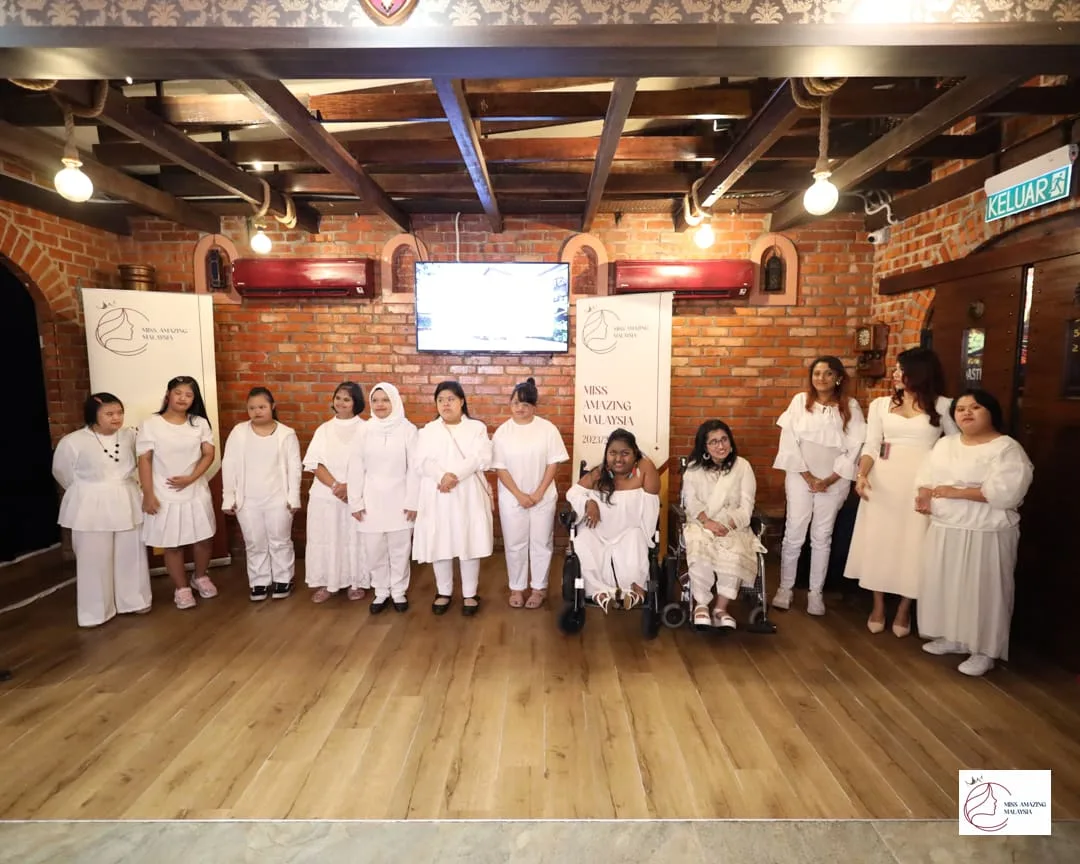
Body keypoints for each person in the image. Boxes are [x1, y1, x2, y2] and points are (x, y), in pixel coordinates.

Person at [915, 390, 1033, 676]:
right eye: (960, 409)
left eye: (975, 407)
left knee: (984, 590)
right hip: (947, 525)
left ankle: (984, 650)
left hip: (987, 530)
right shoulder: (946, 444)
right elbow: (926, 477)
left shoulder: (1006, 448)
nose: (966, 413)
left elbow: (1006, 493)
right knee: (948, 584)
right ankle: (954, 637)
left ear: (991, 412)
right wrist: (924, 495)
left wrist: (956, 491)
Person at [844, 348, 958, 636]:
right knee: (879, 541)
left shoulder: (943, 405)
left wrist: (940, 484)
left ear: (919, 372)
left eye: (901, 369)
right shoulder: (881, 405)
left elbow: (953, 447)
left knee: (914, 543)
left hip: (921, 482)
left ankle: (905, 608)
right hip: (884, 480)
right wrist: (862, 475)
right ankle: (878, 605)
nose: (895, 374)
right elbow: (872, 445)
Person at [772, 356, 866, 616]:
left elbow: (854, 448)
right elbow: (789, 441)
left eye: (827, 373)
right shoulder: (800, 401)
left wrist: (830, 479)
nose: (821, 378)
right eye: (816, 373)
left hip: (834, 480)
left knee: (822, 537)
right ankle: (785, 588)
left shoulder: (850, 406)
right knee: (794, 533)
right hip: (800, 476)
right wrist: (808, 477)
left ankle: (816, 593)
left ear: (838, 378)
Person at [52, 392, 151, 627]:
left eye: (119, 412)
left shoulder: (131, 436)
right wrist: (92, 489)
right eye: (109, 414)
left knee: (131, 552)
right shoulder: (73, 441)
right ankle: (96, 611)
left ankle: (134, 600)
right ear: (93, 415)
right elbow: (62, 472)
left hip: (126, 497)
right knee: (93, 558)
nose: (116, 418)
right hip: (91, 503)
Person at [412, 381, 493, 616]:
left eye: (450, 399)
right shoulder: (427, 431)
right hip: (437, 493)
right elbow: (421, 461)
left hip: (468, 492)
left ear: (461, 401)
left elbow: (480, 457)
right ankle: (443, 591)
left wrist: (454, 475)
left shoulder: (476, 428)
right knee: (440, 540)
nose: (445, 404)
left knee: (469, 540)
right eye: (440, 400)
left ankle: (470, 593)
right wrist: (441, 476)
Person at [137, 376, 218, 611]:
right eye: (178, 393)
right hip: (164, 492)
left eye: (188, 395)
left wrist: (191, 478)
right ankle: (181, 588)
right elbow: (145, 460)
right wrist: (148, 494)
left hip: (195, 490)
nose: (183, 398)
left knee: (204, 538)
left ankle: (200, 576)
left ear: (194, 399)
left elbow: (208, 454)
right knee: (172, 543)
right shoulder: (151, 424)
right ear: (168, 395)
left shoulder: (199, 423)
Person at [492, 377, 569, 610]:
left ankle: (538, 588)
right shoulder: (502, 432)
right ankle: (517, 587)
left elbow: (553, 463)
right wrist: (519, 495)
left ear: (534, 406)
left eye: (525, 404)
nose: (520, 408)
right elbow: (499, 467)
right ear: (510, 403)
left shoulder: (547, 429)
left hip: (542, 497)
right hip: (512, 497)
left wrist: (538, 493)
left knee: (541, 542)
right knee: (514, 543)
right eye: (516, 403)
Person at [565, 429, 661, 612]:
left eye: (625, 453)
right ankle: (598, 592)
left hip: (627, 532)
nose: (618, 459)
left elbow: (652, 504)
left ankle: (634, 591)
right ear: (606, 454)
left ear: (635, 454)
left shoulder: (644, 470)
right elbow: (572, 493)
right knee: (583, 539)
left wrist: (643, 460)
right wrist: (589, 502)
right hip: (598, 532)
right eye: (613, 453)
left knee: (636, 538)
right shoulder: (598, 473)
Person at [221, 387, 301, 602]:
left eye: (262, 407)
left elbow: (294, 467)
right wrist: (229, 496)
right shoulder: (239, 432)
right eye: (252, 408)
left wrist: (293, 497)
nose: (257, 411)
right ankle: (259, 581)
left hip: (278, 498)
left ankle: (283, 578)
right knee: (254, 541)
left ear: (272, 407)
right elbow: (229, 464)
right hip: (247, 499)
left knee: (280, 540)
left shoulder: (286, 434)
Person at [681, 420, 762, 630]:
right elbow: (691, 502)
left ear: (731, 442)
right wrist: (708, 523)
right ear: (705, 447)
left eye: (724, 439)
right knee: (699, 544)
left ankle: (720, 609)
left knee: (735, 549)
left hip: (733, 525)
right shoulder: (694, 469)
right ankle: (701, 604)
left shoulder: (742, 467)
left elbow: (747, 505)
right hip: (701, 523)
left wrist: (727, 525)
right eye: (714, 442)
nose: (720, 446)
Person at [348, 382, 418, 614]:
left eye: (385, 400)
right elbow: (355, 467)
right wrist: (355, 501)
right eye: (375, 400)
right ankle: (381, 591)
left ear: (395, 401)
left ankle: (398, 591)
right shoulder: (364, 430)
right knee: (374, 549)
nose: (380, 405)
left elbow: (415, 468)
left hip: (400, 499)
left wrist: (413, 500)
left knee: (400, 549)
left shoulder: (408, 429)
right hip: (371, 500)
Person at [303, 381, 366, 604]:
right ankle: (327, 583)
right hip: (326, 495)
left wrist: (351, 488)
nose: (341, 402)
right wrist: (336, 486)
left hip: (356, 495)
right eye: (338, 398)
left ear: (356, 402)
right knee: (326, 539)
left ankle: (355, 582)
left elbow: (372, 464)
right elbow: (314, 463)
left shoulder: (366, 429)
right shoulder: (324, 430)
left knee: (354, 539)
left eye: (347, 399)